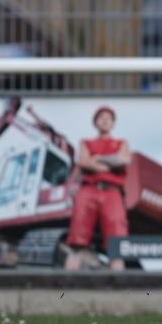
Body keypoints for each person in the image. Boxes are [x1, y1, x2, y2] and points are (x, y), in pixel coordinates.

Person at [64, 106, 130, 272]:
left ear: (113, 123)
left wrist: (98, 159)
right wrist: (109, 164)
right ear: (95, 122)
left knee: (116, 243)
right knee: (77, 239)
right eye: (101, 117)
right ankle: (64, 288)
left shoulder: (121, 142)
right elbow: (84, 162)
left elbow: (123, 160)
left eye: (108, 117)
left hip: (112, 192)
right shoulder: (86, 142)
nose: (105, 120)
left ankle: (120, 289)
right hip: (88, 190)